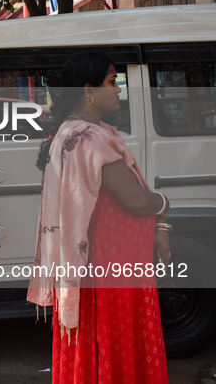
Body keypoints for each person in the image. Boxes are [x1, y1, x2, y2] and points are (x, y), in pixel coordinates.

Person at [27, 51, 171, 383]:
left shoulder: (75, 132)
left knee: (97, 351)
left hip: (100, 267)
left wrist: (160, 216)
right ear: (88, 90)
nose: (119, 89)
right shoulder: (90, 138)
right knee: (114, 347)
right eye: (112, 81)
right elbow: (136, 201)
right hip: (109, 271)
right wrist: (164, 202)